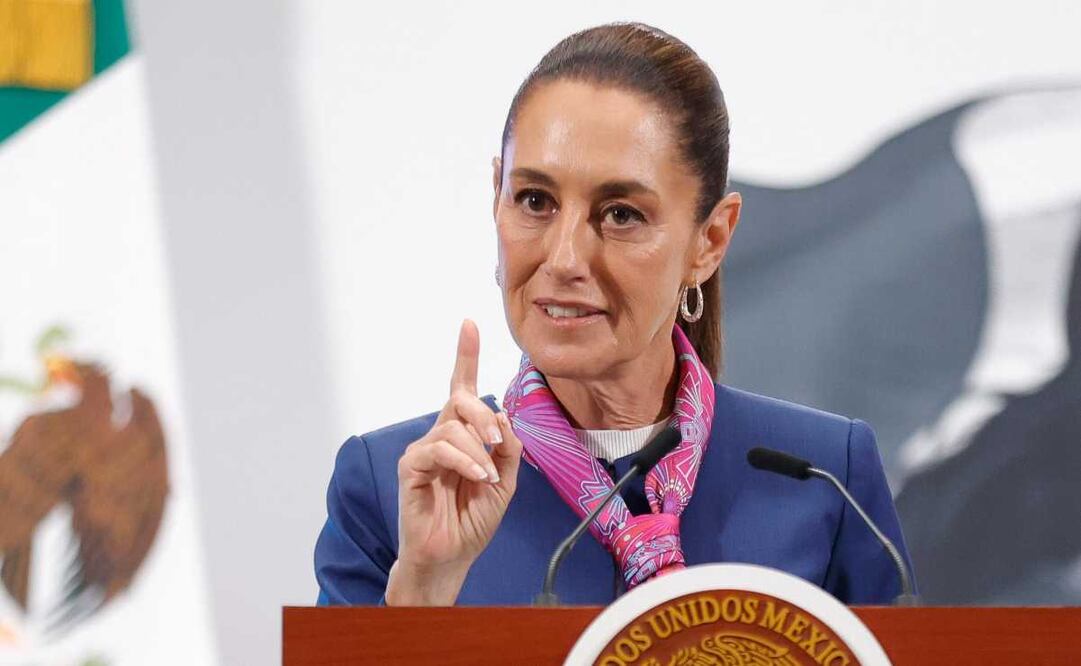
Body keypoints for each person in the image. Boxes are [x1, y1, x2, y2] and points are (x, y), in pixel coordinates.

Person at [314, 22, 912, 607]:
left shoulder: (824, 475)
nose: (565, 258)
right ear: (496, 196)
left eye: (621, 213)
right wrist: (422, 591)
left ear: (710, 240)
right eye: (534, 201)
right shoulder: (394, 488)